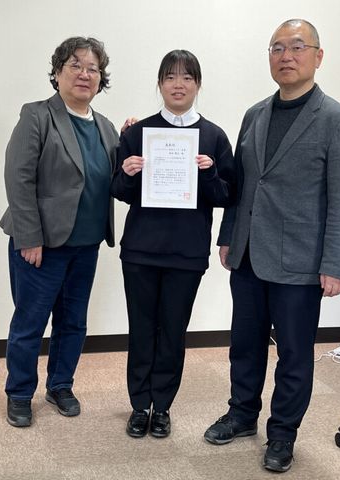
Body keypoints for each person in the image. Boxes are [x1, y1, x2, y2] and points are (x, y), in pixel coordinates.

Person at [203, 19, 340, 473]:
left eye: (296, 47)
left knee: (293, 353)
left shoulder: (336, 120)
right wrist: (228, 237)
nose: (286, 56)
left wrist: (336, 263)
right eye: (277, 48)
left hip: (300, 261)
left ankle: (282, 434)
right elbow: (241, 185)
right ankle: (241, 415)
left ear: (318, 56)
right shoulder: (255, 114)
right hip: (249, 255)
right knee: (244, 344)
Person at [111, 50, 236, 439]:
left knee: (173, 331)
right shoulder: (138, 133)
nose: (178, 85)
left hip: (187, 252)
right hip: (141, 250)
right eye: (170, 77)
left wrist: (209, 173)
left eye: (186, 77)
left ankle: (162, 406)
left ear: (198, 84)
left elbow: (227, 194)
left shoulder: (214, 136)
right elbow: (118, 190)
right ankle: (139, 405)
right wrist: (128, 173)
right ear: (160, 84)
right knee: (141, 329)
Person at [0, 36, 118, 427]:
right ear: (57, 73)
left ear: (101, 78)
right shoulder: (37, 116)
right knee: (30, 322)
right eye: (75, 65)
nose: (84, 74)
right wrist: (29, 237)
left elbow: (118, 176)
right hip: (42, 244)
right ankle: (19, 393)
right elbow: (18, 178)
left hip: (86, 244)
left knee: (74, 322)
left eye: (93, 68)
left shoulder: (106, 127)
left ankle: (60, 385)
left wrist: (136, 137)